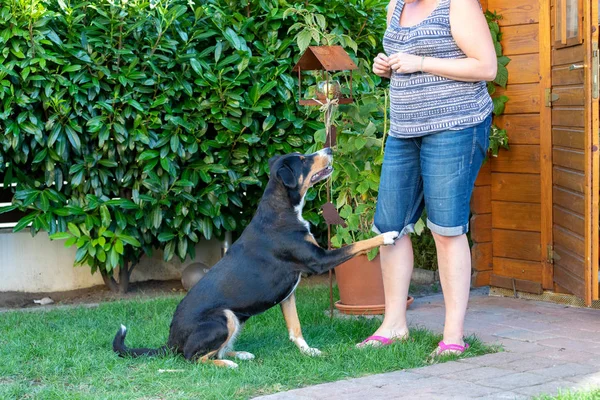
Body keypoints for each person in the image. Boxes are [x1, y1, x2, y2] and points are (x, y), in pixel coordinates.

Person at [357, 0, 496, 356]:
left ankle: (453, 336)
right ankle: (393, 324)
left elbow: (486, 66)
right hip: (405, 129)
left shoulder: (458, 5)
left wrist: (420, 62)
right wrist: (385, 67)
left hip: (456, 126)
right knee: (389, 228)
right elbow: (401, 57)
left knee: (446, 228)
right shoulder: (395, 7)